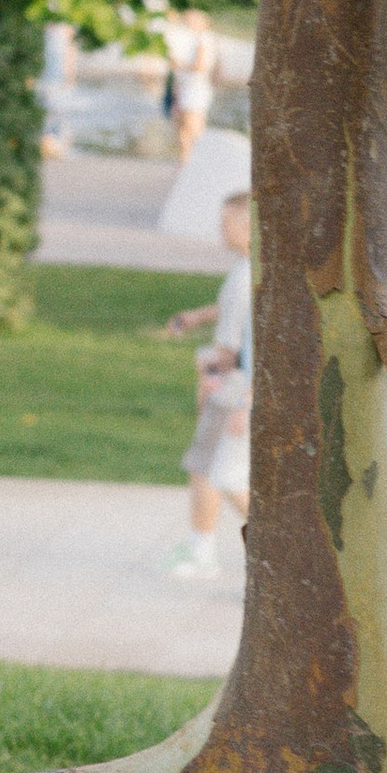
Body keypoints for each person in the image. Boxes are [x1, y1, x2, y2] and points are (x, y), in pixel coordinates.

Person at [161, 188, 252, 576]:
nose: (221, 228)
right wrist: (198, 316)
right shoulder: (251, 270)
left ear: (251, 227)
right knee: (216, 469)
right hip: (239, 389)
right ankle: (203, 546)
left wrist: (209, 379)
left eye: (227, 221)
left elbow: (229, 352)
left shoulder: (244, 278)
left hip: (235, 392)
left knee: (216, 470)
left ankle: (206, 551)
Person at [165, 5, 218, 162]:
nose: (188, 22)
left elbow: (200, 66)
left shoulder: (203, 39)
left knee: (193, 127)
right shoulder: (195, 39)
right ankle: (185, 162)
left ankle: (196, 163)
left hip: (195, 88)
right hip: (188, 87)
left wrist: (179, 65)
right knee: (183, 127)